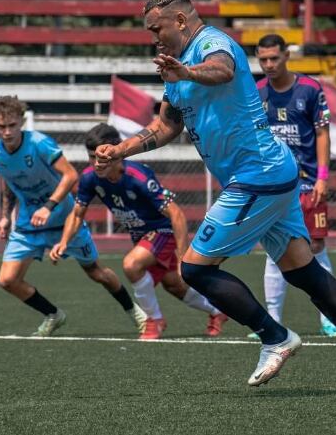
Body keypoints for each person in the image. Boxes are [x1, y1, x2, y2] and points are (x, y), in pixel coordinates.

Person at [95, 0, 336, 393]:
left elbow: (222, 70)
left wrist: (186, 73)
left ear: (180, 20)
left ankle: (274, 337)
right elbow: (167, 125)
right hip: (271, 174)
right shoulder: (178, 64)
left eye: (157, 28)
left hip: (257, 176)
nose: (154, 37)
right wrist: (120, 150)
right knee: (304, 271)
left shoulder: (213, 44)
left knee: (195, 269)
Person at [0, 95, 147, 337]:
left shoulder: (40, 143)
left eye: (11, 125)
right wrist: (5, 216)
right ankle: (53, 315)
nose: (7, 132)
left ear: (21, 121)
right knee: (7, 280)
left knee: (96, 273)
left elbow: (71, 175)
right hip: (29, 224)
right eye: (1, 127)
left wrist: (48, 206)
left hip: (64, 219)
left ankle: (134, 311)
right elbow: (11, 183)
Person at [50, 123, 229, 340]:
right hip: (140, 237)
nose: (96, 163)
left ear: (116, 152)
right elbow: (77, 214)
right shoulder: (89, 178)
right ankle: (217, 311)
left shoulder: (138, 176)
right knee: (174, 285)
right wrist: (64, 241)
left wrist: (183, 258)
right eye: (91, 157)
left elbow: (177, 215)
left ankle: (154, 320)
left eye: (101, 156)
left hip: (161, 231)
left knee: (131, 265)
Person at [254, 33, 336, 338]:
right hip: (275, 186)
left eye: (273, 58)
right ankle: (273, 319)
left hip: (308, 185)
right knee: (273, 250)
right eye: (263, 59)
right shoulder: (257, 93)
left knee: (316, 247)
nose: (268, 64)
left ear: (286, 56)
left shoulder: (309, 89)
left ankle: (329, 318)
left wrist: (322, 177)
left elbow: (322, 134)